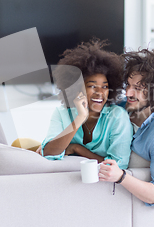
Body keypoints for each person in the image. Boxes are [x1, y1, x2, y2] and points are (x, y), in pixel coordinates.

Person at [99, 48, 154, 209]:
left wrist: (121, 176)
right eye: (128, 85)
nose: (128, 93)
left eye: (137, 88)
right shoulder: (122, 107)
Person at [40, 40, 133, 169]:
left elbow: (119, 165)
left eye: (105, 87)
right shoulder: (62, 113)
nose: (100, 92)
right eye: (92, 86)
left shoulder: (117, 116)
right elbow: (49, 153)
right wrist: (80, 118)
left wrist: (78, 149)